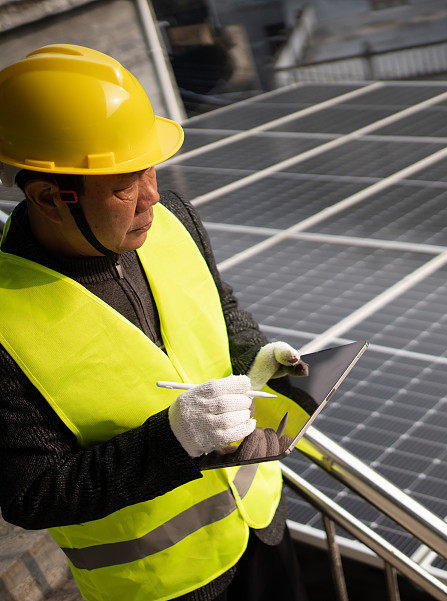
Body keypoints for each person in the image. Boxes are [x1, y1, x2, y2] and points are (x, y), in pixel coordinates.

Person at [0, 44, 309, 601]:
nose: (151, 199)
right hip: (165, 586)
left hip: (264, 528)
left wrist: (257, 358)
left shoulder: (174, 220)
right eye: (123, 186)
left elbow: (223, 310)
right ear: (49, 196)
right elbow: (33, 493)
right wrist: (174, 440)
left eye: (151, 172)